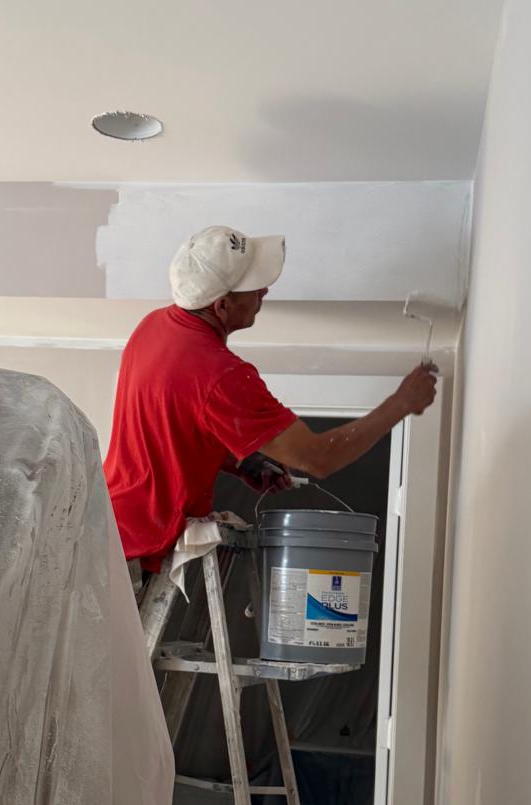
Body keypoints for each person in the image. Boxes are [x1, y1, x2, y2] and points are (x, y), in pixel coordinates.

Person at [104, 225, 438, 575]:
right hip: (139, 546)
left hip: (111, 522)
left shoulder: (153, 327)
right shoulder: (222, 375)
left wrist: (241, 461)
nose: (264, 290)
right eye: (253, 286)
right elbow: (318, 457)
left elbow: (170, 429)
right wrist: (401, 403)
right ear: (221, 306)